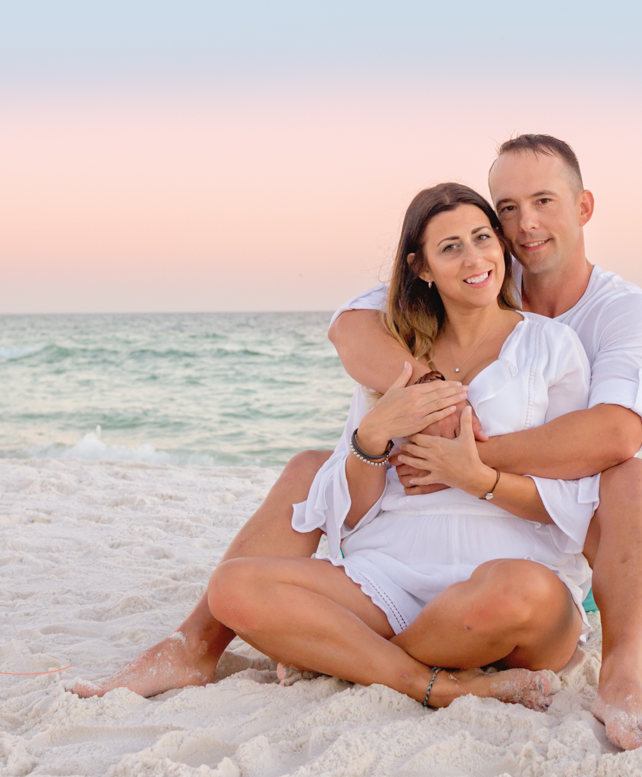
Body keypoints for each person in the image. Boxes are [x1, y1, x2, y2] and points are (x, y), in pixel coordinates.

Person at [74, 134, 642, 750]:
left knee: (608, 501)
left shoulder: (595, 324)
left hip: (520, 548)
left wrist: (467, 463)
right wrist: (394, 413)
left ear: (583, 206)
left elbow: (617, 435)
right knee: (248, 563)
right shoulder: (443, 297)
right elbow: (351, 326)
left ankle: (612, 675)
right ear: (425, 265)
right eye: (508, 209)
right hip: (396, 562)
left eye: (543, 201)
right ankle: (404, 677)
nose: (522, 226)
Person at [205, 183, 598, 708]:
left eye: (483, 238)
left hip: (506, 571)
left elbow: (573, 495)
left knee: (520, 591)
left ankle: (355, 657)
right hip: (390, 572)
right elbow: (355, 516)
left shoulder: (552, 345)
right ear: (422, 268)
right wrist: (370, 438)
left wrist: (477, 477)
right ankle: (430, 683)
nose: (474, 257)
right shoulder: (397, 356)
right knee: (233, 587)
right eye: (451, 247)